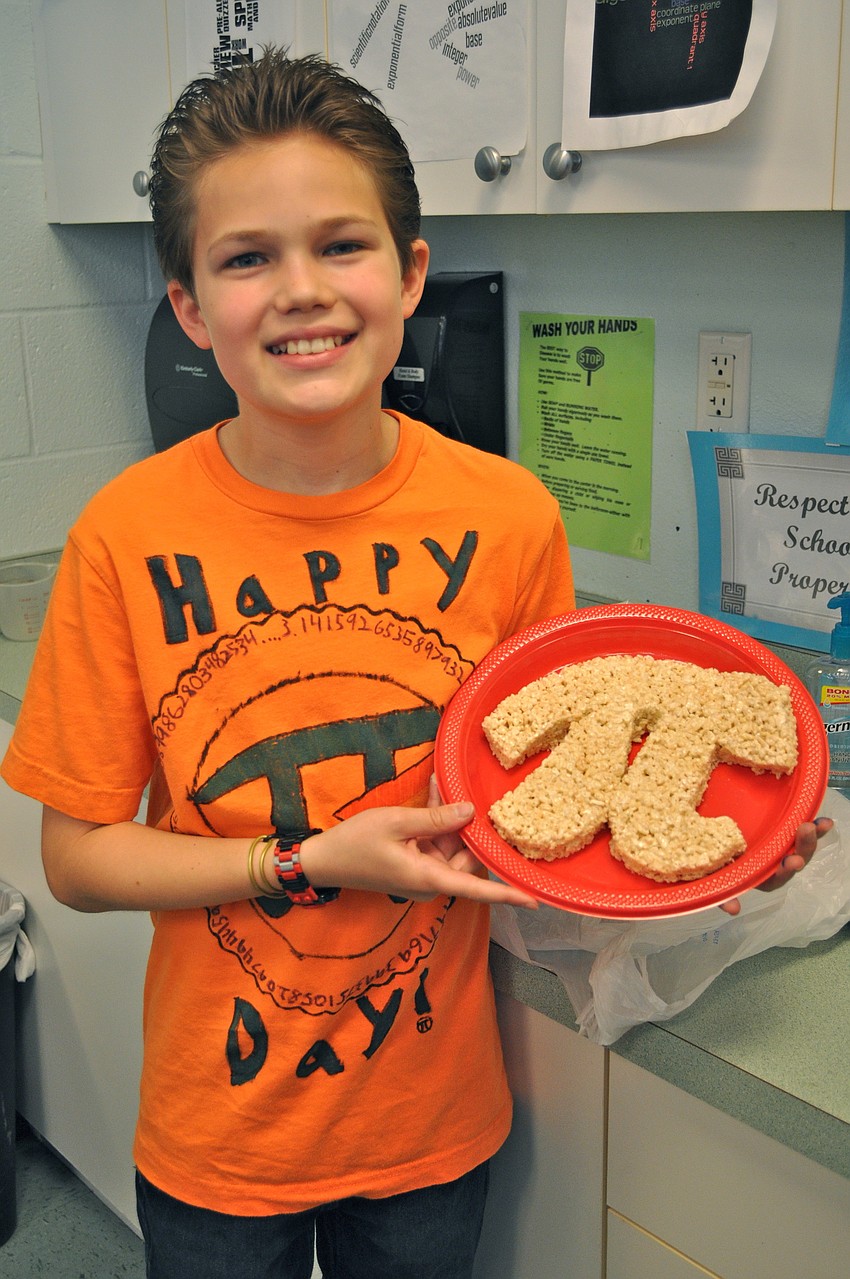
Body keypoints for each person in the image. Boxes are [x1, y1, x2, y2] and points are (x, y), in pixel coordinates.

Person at [0, 47, 829, 1279]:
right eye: (245, 258)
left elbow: (548, 823)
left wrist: (738, 842)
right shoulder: (128, 534)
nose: (299, 291)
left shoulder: (508, 516)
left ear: (409, 275)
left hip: (431, 1117)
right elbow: (74, 859)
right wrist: (303, 859)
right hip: (220, 1128)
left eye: (341, 244)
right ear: (186, 306)